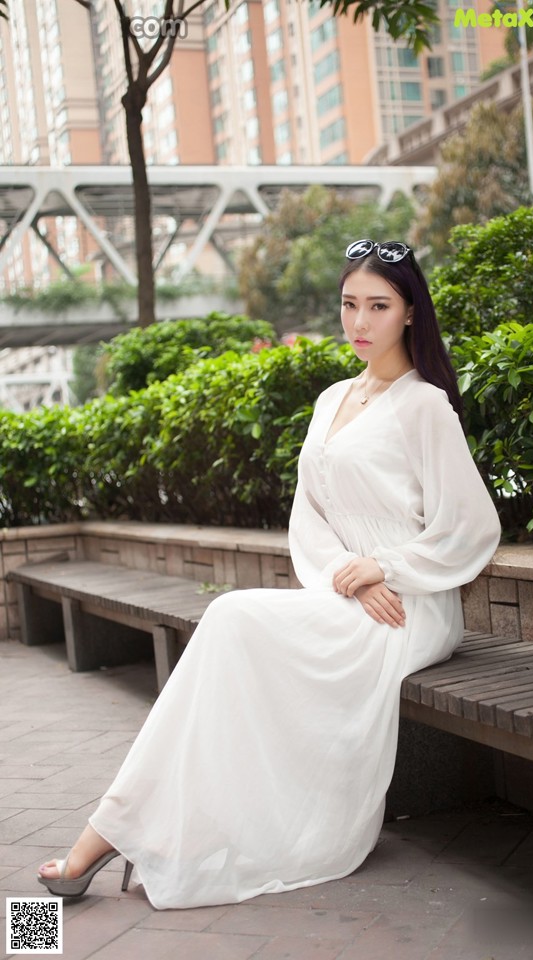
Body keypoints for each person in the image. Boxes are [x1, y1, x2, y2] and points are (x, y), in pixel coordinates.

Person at [37, 239, 500, 910]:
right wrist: (348, 570)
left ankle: (112, 832)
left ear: (408, 314)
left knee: (230, 618)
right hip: (348, 594)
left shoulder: (425, 405)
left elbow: (471, 525)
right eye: (349, 306)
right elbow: (308, 517)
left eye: (379, 306)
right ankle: (126, 827)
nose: (360, 322)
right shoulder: (333, 398)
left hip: (409, 608)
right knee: (230, 634)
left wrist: (386, 568)